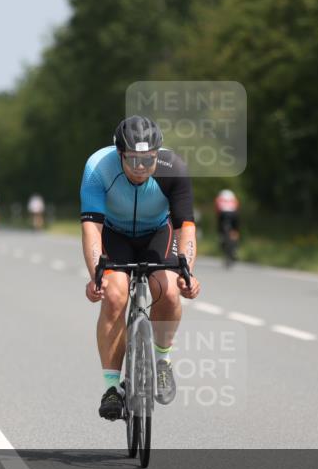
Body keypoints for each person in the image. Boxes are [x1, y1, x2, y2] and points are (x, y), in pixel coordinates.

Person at [80, 115, 202, 421]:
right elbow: (92, 228)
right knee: (114, 295)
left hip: (157, 234)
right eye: (132, 159)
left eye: (147, 160)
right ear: (119, 153)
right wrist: (96, 274)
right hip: (114, 234)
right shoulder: (98, 168)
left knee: (171, 293)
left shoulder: (173, 168)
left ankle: (162, 362)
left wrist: (188, 272)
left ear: (157, 155)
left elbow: (186, 228)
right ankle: (111, 388)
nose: (139, 167)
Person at [214, 188, 240, 263]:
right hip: (233, 214)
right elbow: (237, 207)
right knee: (235, 231)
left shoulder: (219, 197)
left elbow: (216, 209)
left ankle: (221, 237)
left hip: (223, 214)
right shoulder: (233, 197)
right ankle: (235, 247)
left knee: (220, 229)